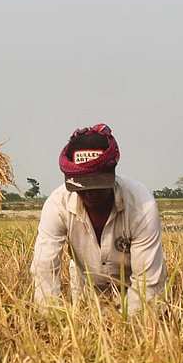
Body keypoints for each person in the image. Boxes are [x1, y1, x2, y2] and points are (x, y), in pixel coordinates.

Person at [30, 124, 167, 314]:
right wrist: (51, 318)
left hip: (132, 287)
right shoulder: (57, 204)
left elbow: (147, 281)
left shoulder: (141, 205)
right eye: (82, 187)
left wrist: (127, 323)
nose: (90, 194)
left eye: (97, 185)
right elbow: (44, 269)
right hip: (85, 288)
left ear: (112, 174)